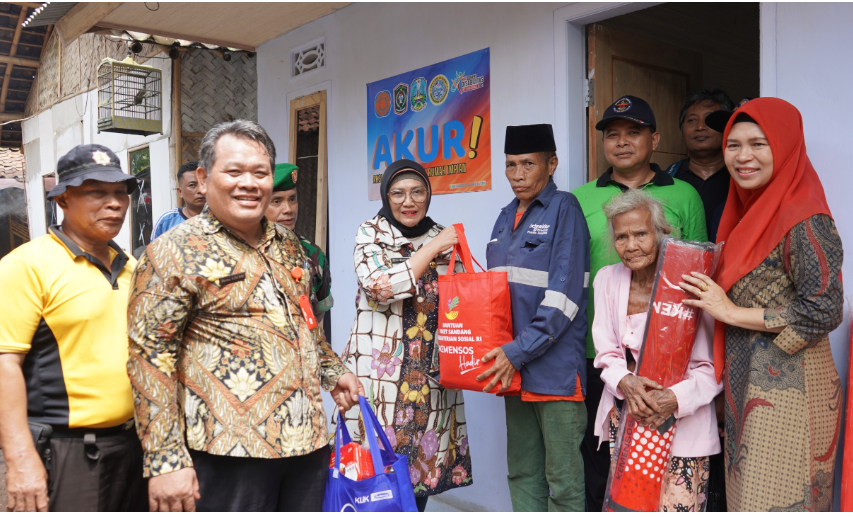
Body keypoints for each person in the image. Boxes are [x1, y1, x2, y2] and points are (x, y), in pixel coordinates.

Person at [127, 120, 363, 512]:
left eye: (260, 172)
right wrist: (165, 460)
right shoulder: (172, 252)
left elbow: (302, 323)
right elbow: (149, 359)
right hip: (227, 453)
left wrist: (333, 371)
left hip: (306, 444)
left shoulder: (288, 243)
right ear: (203, 179)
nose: (249, 183)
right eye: (234, 171)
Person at [680, 98, 843, 512]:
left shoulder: (805, 218)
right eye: (733, 145)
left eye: (758, 143)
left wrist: (730, 312)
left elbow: (824, 310)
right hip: (747, 385)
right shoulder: (741, 215)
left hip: (792, 392)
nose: (743, 156)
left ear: (786, 147)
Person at [571, 95, 707, 510]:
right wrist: (620, 377)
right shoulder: (580, 197)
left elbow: (701, 262)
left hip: (678, 370)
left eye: (634, 133)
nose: (623, 142)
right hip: (607, 357)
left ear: (655, 139)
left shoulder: (684, 194)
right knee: (605, 479)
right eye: (613, 135)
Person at [0, 144, 147, 511]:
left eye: (119, 192)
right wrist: (20, 459)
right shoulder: (27, 265)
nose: (114, 203)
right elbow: (5, 365)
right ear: (63, 200)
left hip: (133, 445)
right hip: (65, 450)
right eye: (96, 191)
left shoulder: (130, 266)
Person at [340, 159, 471, 513]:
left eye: (417, 192)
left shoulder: (445, 236)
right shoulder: (371, 234)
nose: (408, 201)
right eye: (397, 193)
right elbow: (379, 286)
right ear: (386, 196)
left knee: (417, 484)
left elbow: (462, 300)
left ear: (429, 195)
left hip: (430, 382)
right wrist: (430, 250)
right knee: (371, 483)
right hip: (377, 378)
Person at [592, 189, 721, 511]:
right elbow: (606, 354)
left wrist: (673, 398)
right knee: (630, 506)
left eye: (641, 234)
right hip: (628, 414)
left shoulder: (691, 283)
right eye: (621, 236)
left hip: (684, 418)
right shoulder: (607, 279)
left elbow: (713, 367)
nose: (631, 245)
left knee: (677, 506)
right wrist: (626, 381)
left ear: (662, 235)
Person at [483, 124, 590, 512]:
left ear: (552, 164)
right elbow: (495, 295)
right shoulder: (503, 218)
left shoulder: (565, 209)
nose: (517, 174)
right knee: (522, 472)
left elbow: (564, 298)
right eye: (511, 165)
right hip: (512, 369)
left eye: (528, 163)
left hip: (554, 370)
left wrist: (517, 351)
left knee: (562, 480)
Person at [265, 162, 333, 322]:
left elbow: (319, 311)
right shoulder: (246, 252)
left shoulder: (312, 253)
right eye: (276, 201)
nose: (288, 209)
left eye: (293, 199)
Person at [665, 89, 735, 242]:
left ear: (727, 128)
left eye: (709, 119)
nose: (700, 127)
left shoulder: (742, 177)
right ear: (681, 131)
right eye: (692, 120)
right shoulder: (667, 180)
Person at [151, 160, 206, 239]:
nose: (200, 190)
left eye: (203, 184)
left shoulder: (223, 219)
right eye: (192, 185)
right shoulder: (166, 221)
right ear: (180, 192)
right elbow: (153, 250)